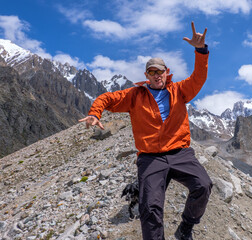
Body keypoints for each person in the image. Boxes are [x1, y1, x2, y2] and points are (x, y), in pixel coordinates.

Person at [79, 21, 212, 240]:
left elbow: (199, 77)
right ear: (146, 75)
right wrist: (95, 113)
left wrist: (201, 51)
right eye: (152, 71)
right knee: (150, 207)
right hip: (150, 158)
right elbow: (107, 98)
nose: (156, 74)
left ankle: (186, 228)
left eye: (160, 71)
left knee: (203, 185)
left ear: (166, 72)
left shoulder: (179, 90)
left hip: (180, 153)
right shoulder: (135, 95)